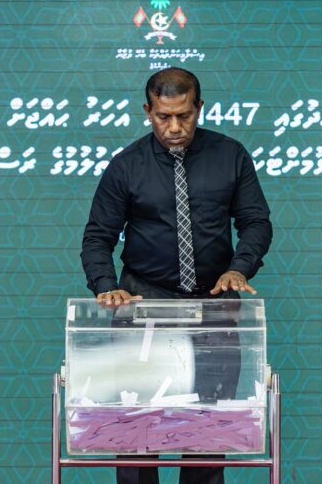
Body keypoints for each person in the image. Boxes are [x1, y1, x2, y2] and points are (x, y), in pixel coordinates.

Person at [81, 67, 272, 484]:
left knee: (207, 432)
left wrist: (239, 269)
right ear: (147, 111)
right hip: (142, 305)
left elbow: (256, 222)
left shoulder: (230, 155)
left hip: (214, 305)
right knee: (137, 433)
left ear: (199, 108)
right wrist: (106, 286)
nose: (174, 127)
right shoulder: (126, 166)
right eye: (163, 116)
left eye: (184, 115)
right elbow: (97, 237)